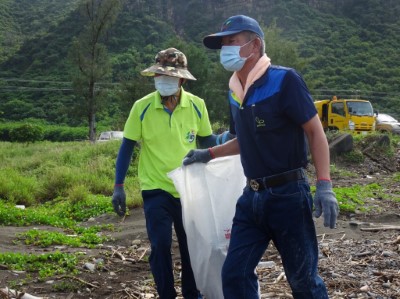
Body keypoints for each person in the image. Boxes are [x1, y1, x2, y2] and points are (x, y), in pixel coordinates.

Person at [183, 15, 339, 298]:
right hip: (251, 197)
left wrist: (324, 184)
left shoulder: (284, 80)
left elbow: (315, 133)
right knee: (234, 274)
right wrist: (208, 153)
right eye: (222, 44)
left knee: (303, 281)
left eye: (232, 41)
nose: (225, 49)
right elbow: (244, 139)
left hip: (288, 195)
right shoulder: (234, 92)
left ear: (254, 45)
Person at [111, 48, 232, 299]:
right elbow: (127, 147)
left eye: (169, 76)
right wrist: (118, 185)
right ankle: (166, 294)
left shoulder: (197, 106)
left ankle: (192, 293)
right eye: (159, 75)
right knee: (160, 244)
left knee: (191, 246)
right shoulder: (141, 107)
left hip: (189, 188)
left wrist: (225, 140)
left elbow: (206, 139)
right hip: (155, 188)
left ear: (182, 80)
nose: (162, 80)